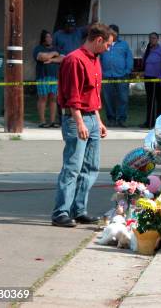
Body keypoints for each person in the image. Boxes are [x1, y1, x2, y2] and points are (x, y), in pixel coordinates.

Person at [51, 23, 115, 227]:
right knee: (73, 167)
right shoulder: (74, 60)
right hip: (75, 118)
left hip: (91, 118)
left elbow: (91, 95)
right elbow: (73, 96)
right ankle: (61, 212)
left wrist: (99, 121)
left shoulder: (95, 60)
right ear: (98, 40)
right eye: (108, 44)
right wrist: (79, 123)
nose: (109, 48)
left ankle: (79, 210)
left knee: (90, 167)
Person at [100, 24, 133, 127]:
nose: (108, 34)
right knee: (108, 98)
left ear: (116, 33)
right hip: (106, 76)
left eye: (110, 32)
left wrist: (127, 71)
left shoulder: (124, 44)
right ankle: (111, 119)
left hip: (122, 76)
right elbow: (99, 59)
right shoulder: (104, 43)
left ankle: (121, 120)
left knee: (123, 98)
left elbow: (129, 58)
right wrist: (100, 72)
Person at [140, 32, 161, 128]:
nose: (151, 40)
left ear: (157, 39)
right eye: (150, 38)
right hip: (148, 78)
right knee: (150, 100)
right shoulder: (148, 49)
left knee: (159, 101)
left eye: (153, 38)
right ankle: (149, 122)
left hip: (157, 78)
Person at [33, 30, 63, 128]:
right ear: (43, 39)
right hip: (42, 77)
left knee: (53, 98)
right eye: (47, 37)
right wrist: (54, 53)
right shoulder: (38, 48)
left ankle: (52, 121)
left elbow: (63, 58)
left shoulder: (56, 48)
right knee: (43, 98)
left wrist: (51, 59)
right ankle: (42, 121)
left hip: (54, 77)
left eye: (50, 37)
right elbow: (42, 57)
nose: (49, 39)